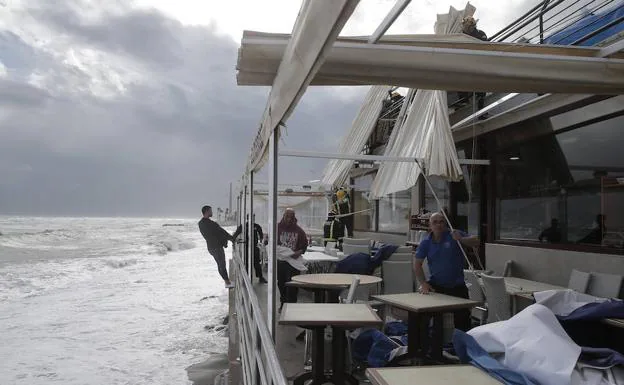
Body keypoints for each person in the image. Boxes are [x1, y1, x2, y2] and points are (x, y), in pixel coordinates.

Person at [414, 212, 479, 332]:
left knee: (463, 323)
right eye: (435, 222)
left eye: (441, 221)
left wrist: (461, 239)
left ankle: (461, 348)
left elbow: (476, 241)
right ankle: (428, 345)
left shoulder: (453, 234)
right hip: (436, 286)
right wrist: (423, 283)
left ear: (445, 223)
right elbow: (417, 264)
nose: (439, 224)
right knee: (424, 317)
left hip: (457, 286)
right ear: (430, 226)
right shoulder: (426, 242)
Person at [277, 208, 308, 311]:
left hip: (294, 263)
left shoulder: (299, 231)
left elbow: (304, 246)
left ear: (294, 217)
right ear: (283, 216)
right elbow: (271, 243)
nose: (289, 219)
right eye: (287, 216)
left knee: (292, 285)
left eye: (291, 216)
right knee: (281, 283)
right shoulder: (277, 228)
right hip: (281, 262)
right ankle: (283, 303)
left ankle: (292, 306)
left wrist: (297, 253)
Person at [198, 205, 235, 288]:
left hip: (211, 247)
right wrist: (231, 239)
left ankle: (226, 281)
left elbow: (214, 234)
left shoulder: (201, 223)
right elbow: (221, 232)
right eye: (210, 211)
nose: (212, 212)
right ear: (207, 211)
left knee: (219, 264)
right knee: (222, 264)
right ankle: (228, 282)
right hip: (216, 247)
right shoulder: (210, 223)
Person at [458, 16, 488, 117]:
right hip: (465, 63)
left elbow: (486, 46)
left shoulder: (480, 34)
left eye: (468, 27)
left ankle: (481, 111)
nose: (467, 29)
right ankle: (464, 100)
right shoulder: (461, 36)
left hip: (479, 63)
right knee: (460, 79)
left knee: (481, 88)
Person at [232, 216, 267, 284]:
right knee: (247, 263)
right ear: (247, 219)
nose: (252, 219)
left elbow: (261, 235)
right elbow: (235, 234)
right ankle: (246, 278)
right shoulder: (244, 226)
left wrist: (262, 242)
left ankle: (260, 277)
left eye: (253, 218)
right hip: (246, 247)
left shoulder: (256, 226)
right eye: (250, 218)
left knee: (256, 263)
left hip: (255, 247)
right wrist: (235, 240)